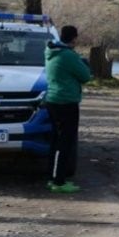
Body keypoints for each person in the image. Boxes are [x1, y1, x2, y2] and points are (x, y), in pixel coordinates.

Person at [44, 25, 91, 193]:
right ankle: (59, 182)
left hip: (52, 100)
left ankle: (52, 178)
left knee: (56, 140)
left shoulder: (50, 52)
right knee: (66, 142)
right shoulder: (68, 56)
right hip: (67, 102)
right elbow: (86, 76)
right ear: (73, 38)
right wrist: (84, 64)